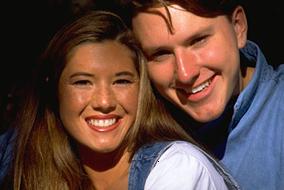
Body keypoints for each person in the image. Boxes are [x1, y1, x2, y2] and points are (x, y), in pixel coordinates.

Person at [0, 10, 239, 190]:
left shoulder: (179, 168)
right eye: (83, 82)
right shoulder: (25, 164)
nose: (104, 102)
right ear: (54, 90)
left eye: (122, 81)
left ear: (142, 90)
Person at [117, 0, 284, 189]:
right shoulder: (130, 126)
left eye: (198, 41)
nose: (185, 74)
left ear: (238, 27)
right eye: (161, 54)